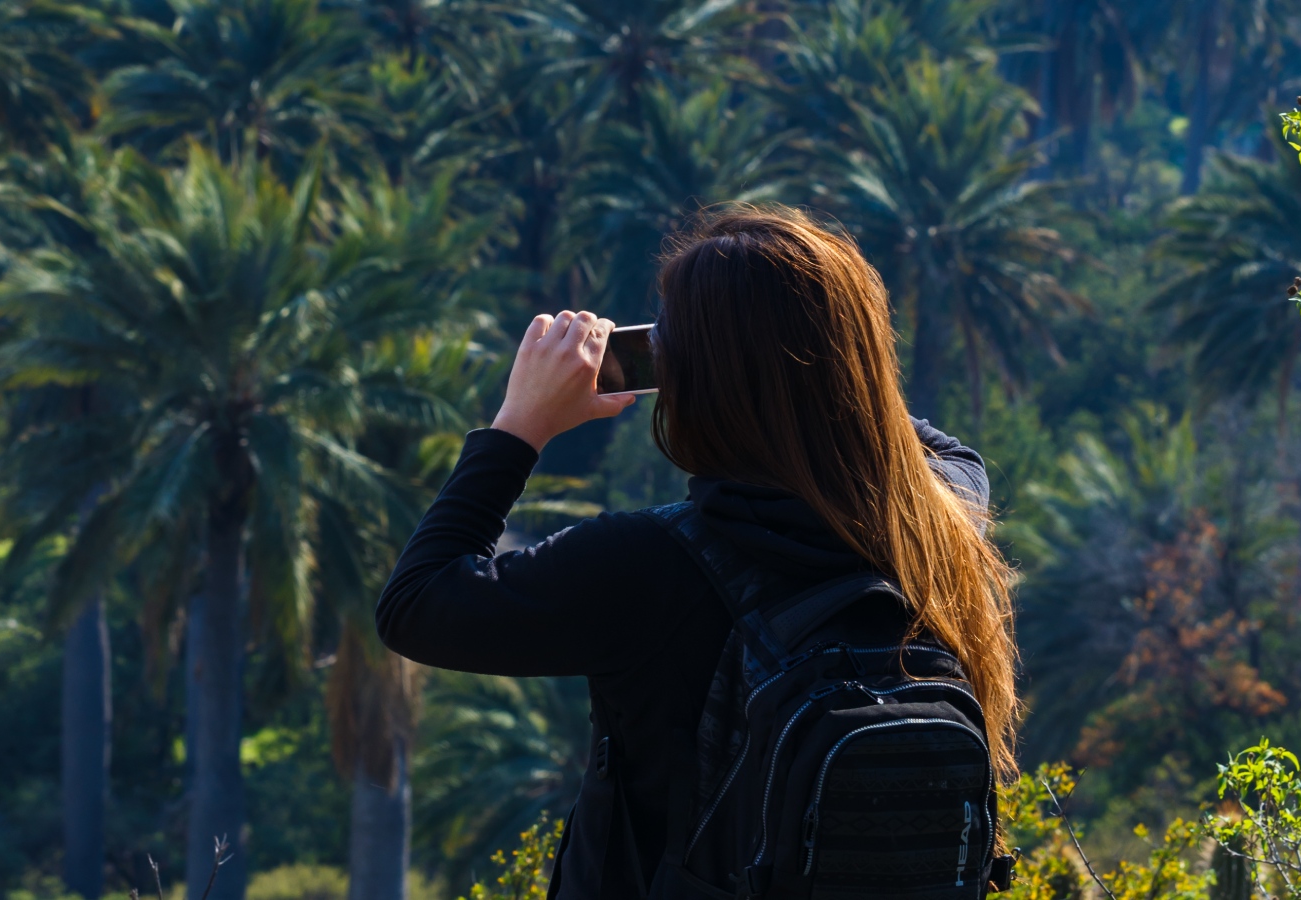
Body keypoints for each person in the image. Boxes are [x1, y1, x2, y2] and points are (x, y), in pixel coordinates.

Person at [377, 206, 1018, 899]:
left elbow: (418, 603)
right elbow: (941, 450)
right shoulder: (936, 525)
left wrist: (519, 425)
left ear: (692, 379)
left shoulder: (646, 565)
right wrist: (830, 358)